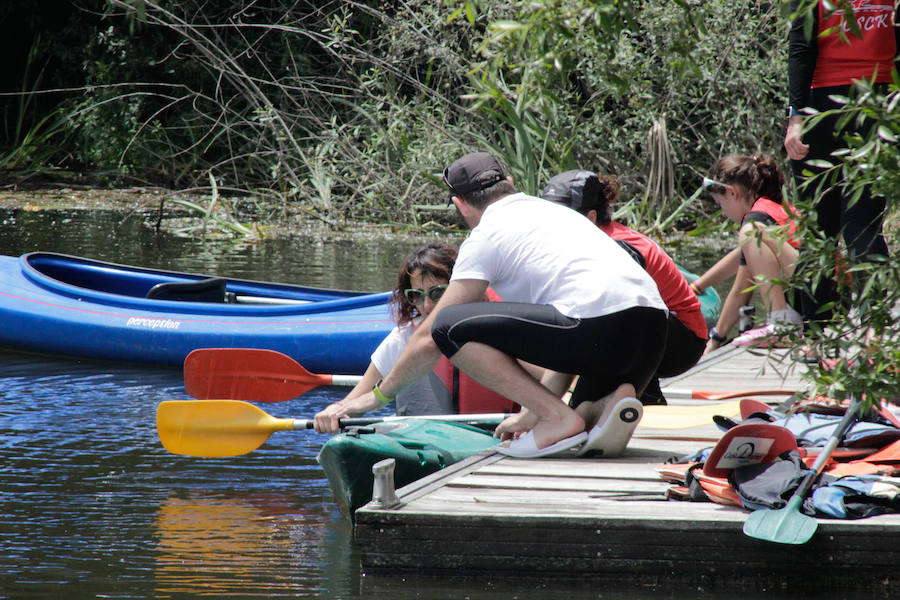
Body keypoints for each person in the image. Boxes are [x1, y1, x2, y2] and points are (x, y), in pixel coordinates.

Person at [345, 151, 669, 459]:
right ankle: (603, 404)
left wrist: (377, 397)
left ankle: (559, 418)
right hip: (654, 333)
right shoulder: (557, 214)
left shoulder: (485, 236)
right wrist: (529, 416)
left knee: (449, 326)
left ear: (460, 205)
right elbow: (560, 335)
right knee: (583, 415)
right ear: (511, 184)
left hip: (596, 328)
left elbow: (432, 334)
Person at [542, 170, 707, 405]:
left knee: (606, 323)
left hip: (683, 341)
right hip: (653, 329)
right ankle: (639, 392)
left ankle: (641, 394)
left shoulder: (616, 246)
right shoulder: (591, 239)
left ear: (590, 217)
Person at [313, 242, 516, 433]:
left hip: (496, 439)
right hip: (427, 442)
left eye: (437, 293)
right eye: (416, 295)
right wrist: (335, 409)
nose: (426, 306)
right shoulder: (404, 338)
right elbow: (358, 399)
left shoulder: (501, 327)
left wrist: (529, 417)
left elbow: (545, 379)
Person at [784, 0, 896, 314]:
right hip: (873, 102)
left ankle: (825, 337)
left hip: (835, 104)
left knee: (829, 227)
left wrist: (795, 119)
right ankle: (865, 332)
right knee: (851, 224)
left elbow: (800, 47)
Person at [695, 153, 803, 353]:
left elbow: (740, 290)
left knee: (750, 231)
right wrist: (697, 286)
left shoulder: (755, 223)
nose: (724, 214)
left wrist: (715, 340)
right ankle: (783, 322)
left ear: (732, 193)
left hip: (815, 291)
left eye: (721, 205)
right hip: (831, 297)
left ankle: (780, 324)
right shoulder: (774, 209)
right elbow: (739, 259)